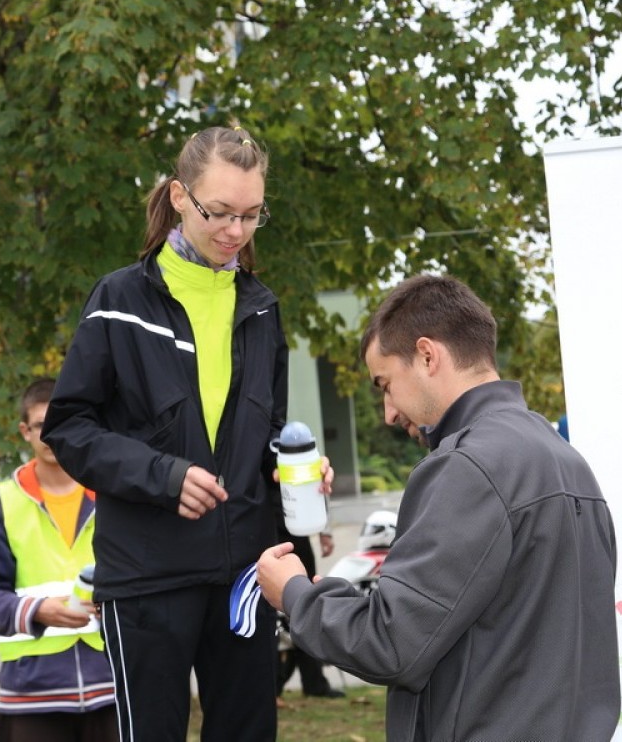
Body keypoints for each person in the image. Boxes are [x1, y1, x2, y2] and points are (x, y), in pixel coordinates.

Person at [40, 125, 334, 742]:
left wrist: (297, 467)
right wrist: (164, 475)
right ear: (179, 196)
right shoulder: (119, 300)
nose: (235, 232)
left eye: (252, 216)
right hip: (148, 577)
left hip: (244, 579)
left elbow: (268, 432)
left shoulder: (261, 308)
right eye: (220, 212)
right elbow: (69, 428)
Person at [257, 274, 620, 742]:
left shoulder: (467, 465)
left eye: (385, 384)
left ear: (427, 355)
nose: (387, 412)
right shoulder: (567, 460)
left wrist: (296, 594)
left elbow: (391, 643)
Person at [0, 378, 117, 742]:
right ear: (25, 431)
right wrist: (36, 610)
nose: (53, 434)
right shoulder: (0, 505)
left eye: (64, 420)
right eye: (43, 425)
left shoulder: (115, 496)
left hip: (114, 686)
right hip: (33, 697)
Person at [275, 522, 344, 704]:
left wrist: (324, 528)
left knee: (304, 602)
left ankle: (313, 681)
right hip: (265, 526)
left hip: (291, 525)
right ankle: (277, 684)